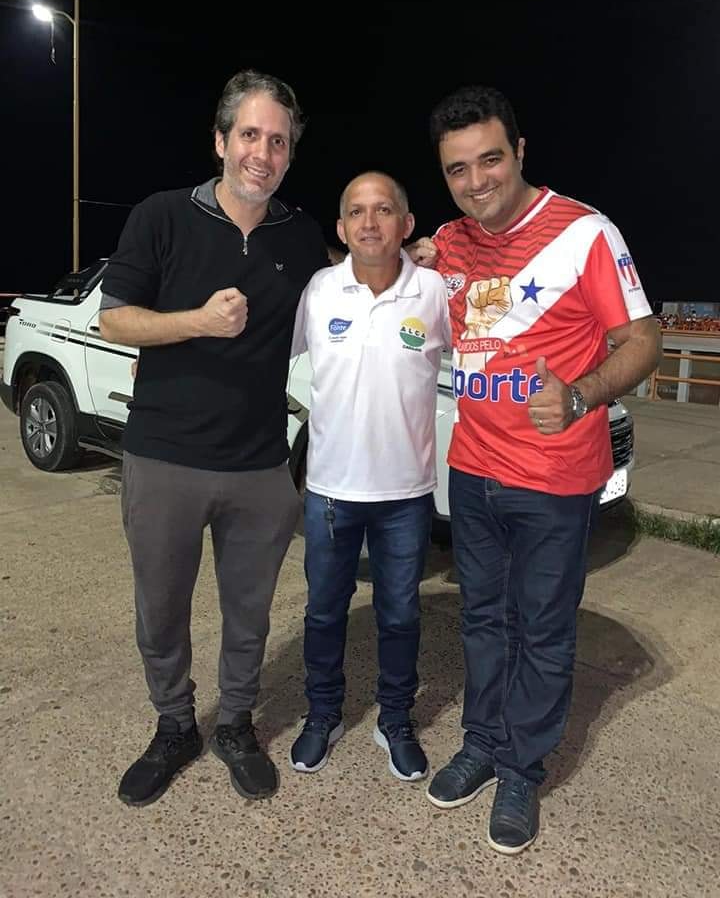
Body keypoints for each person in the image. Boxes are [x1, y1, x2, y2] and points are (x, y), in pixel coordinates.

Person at [411, 85, 661, 854]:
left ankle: (521, 766)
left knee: (543, 630)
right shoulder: (449, 243)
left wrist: (581, 394)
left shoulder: (585, 232)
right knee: (483, 620)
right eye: (457, 169)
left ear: (519, 152)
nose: (476, 181)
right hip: (472, 471)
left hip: (554, 478)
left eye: (490, 160)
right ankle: (482, 743)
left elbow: (643, 339)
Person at [99, 69, 330, 806]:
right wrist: (196, 321)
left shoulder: (301, 235)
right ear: (222, 141)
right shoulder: (162, 215)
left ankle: (234, 724)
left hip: (259, 466)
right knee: (161, 608)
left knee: (249, 613)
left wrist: (408, 256)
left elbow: (351, 290)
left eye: (279, 141)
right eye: (251, 135)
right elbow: (114, 317)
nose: (263, 153)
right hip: (163, 457)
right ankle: (174, 725)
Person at [288, 172, 451, 782]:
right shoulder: (320, 290)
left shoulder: (433, 291)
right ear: (341, 227)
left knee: (400, 614)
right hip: (330, 493)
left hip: (406, 496)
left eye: (384, 210)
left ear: (406, 225)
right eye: (356, 212)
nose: (369, 222)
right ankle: (322, 714)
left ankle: (396, 719)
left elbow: (487, 351)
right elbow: (269, 355)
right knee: (324, 612)